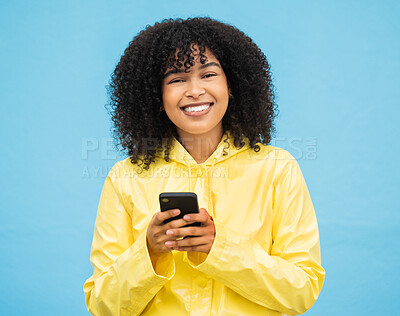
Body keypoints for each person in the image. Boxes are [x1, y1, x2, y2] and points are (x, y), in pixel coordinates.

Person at [83, 17, 325, 316]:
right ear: (156, 97)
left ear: (231, 85)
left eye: (208, 74)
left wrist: (219, 247)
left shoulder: (278, 168)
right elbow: (102, 306)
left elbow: (301, 292)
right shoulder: (125, 177)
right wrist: (148, 253)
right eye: (176, 79)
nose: (195, 90)